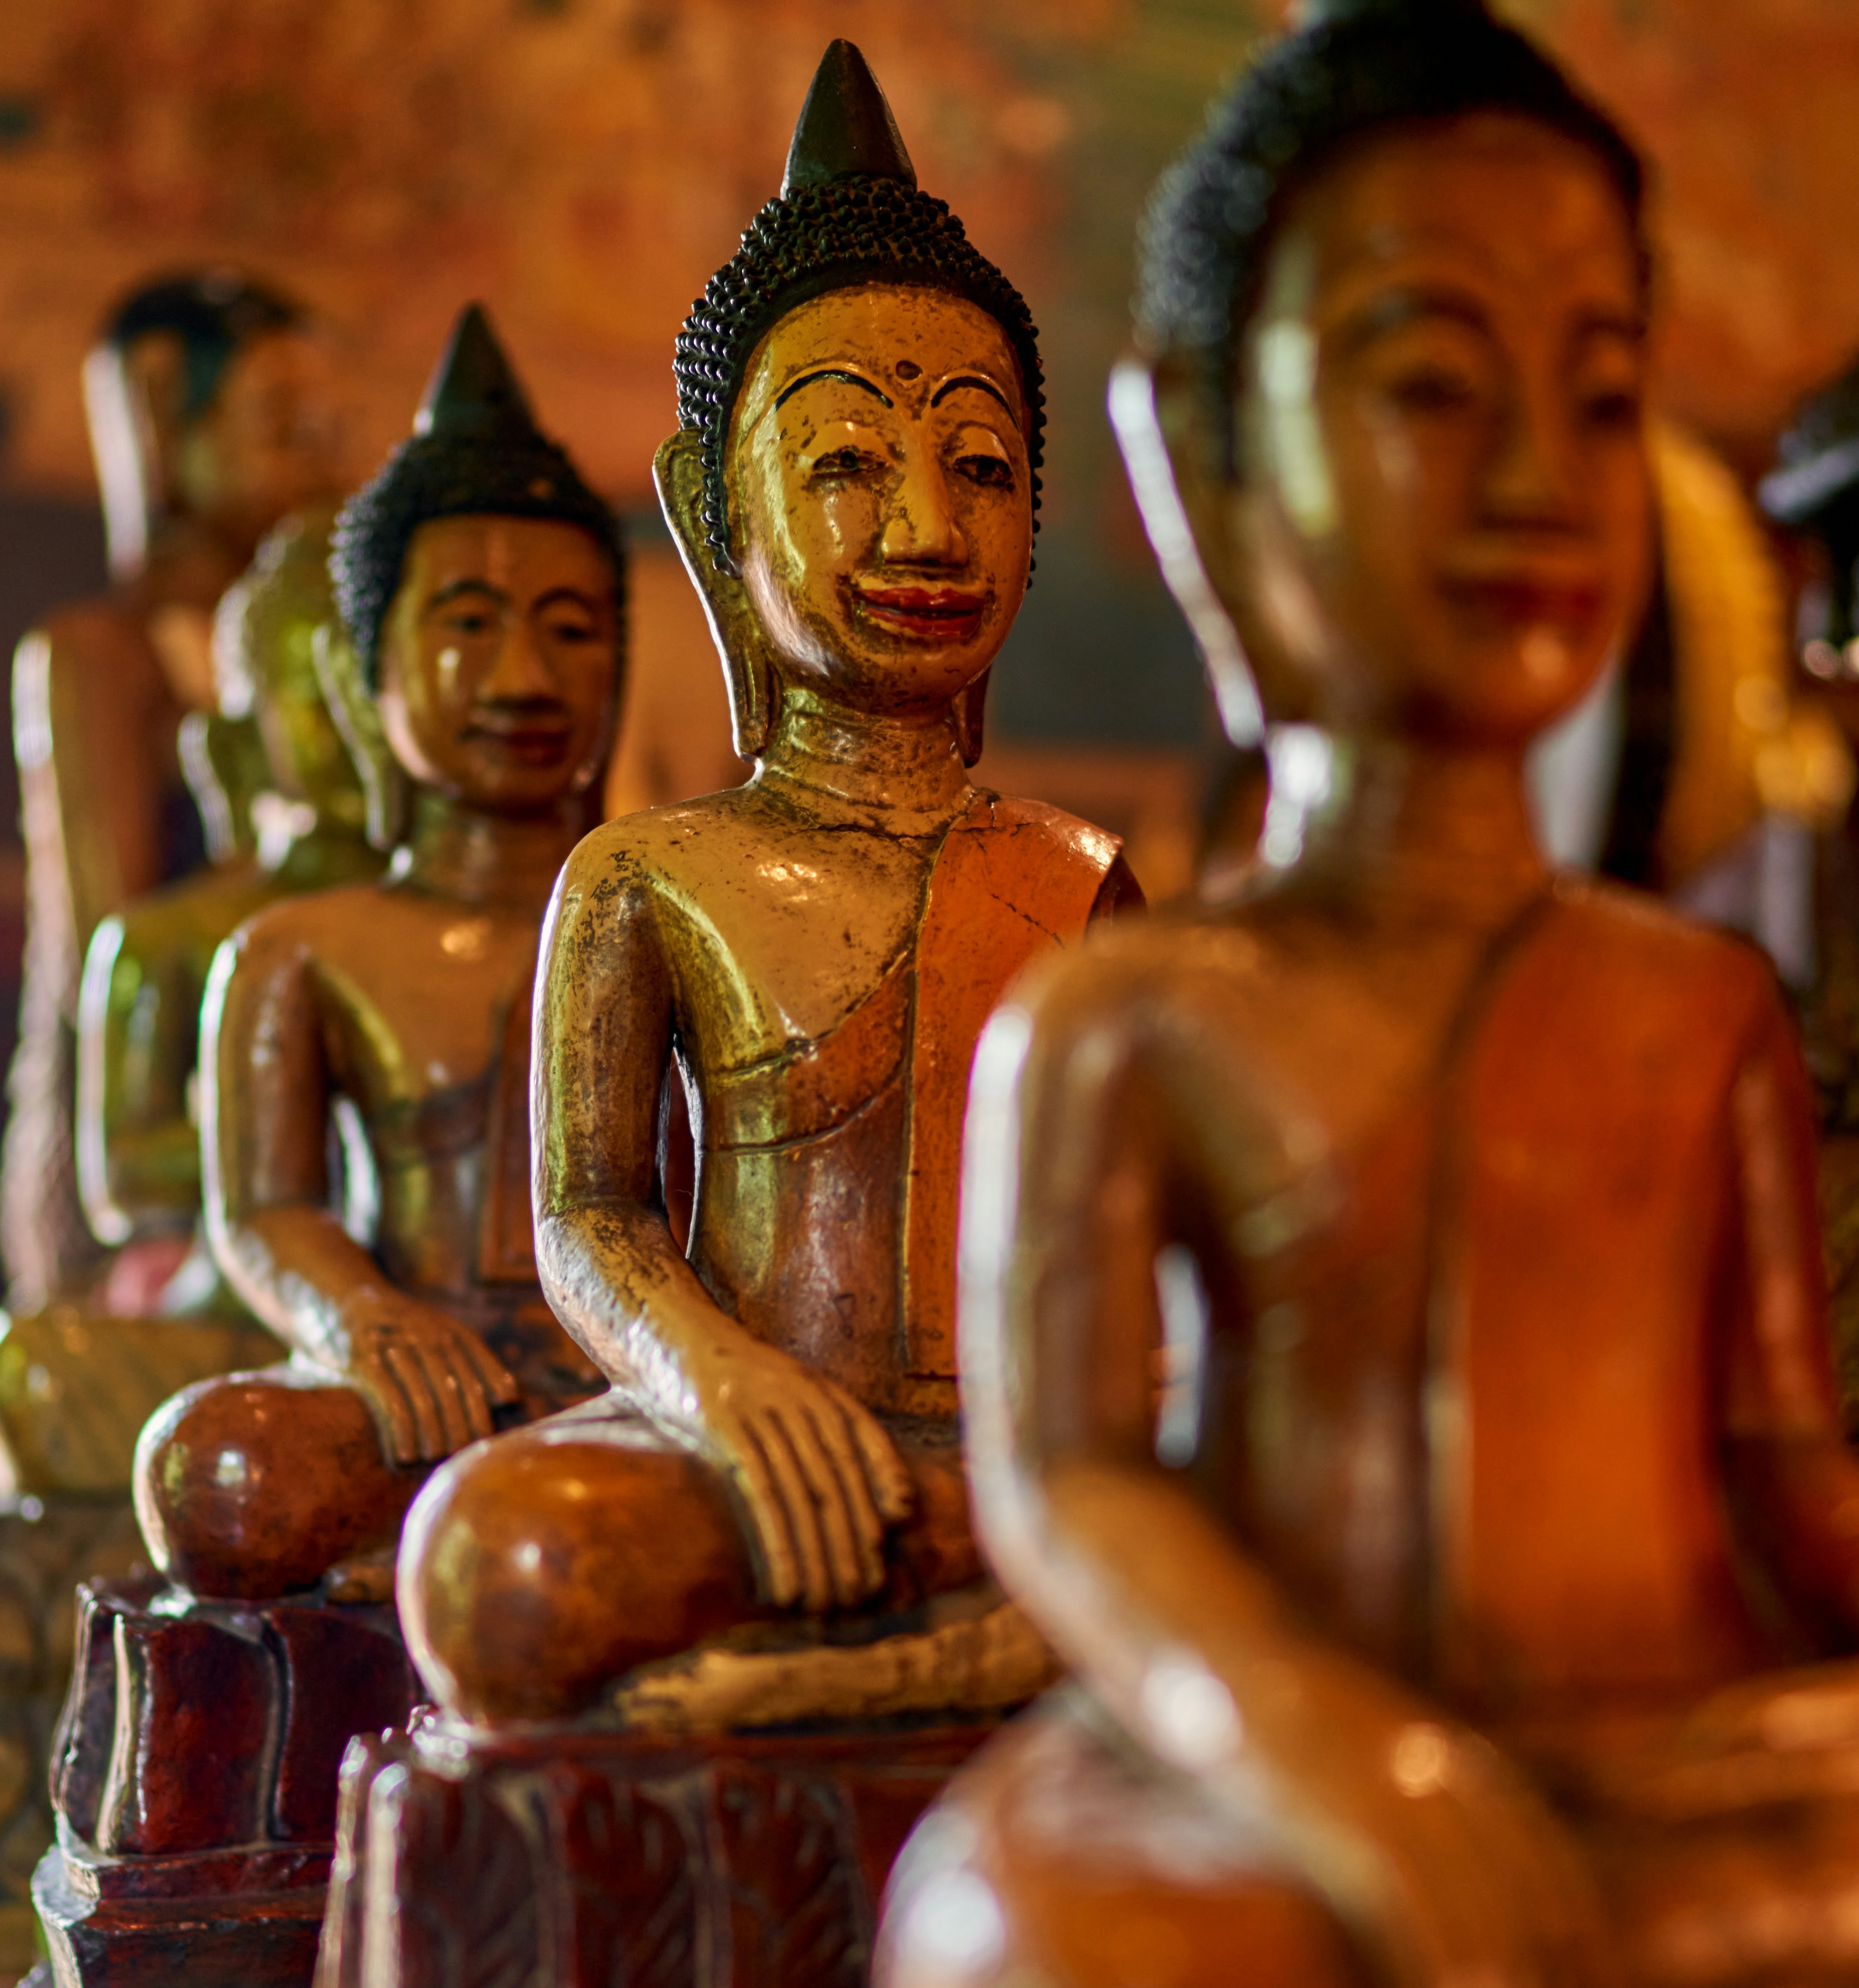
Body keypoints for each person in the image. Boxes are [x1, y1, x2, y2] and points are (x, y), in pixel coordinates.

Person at [878, 4, 1859, 1984]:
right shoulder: (1128, 1015)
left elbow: (1781, 1477)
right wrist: (1320, 1744)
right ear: (1204, 457)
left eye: (1597, 398)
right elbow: (1066, 1479)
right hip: (1283, 1770)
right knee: (1040, 1929)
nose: (1534, 476)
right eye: (1428, 381)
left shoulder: (1701, 1004)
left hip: (1674, 1747)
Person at [391, 42, 1141, 1731]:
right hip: (744, 1450)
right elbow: (589, 1220)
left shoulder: (1073, 877)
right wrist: (721, 1379)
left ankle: (886, 1664)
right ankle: (976, 1656)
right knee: (492, 1559)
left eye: (980, 467)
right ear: (711, 513)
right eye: (844, 466)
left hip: (1003, 1462)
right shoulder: (649, 872)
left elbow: (1122, 1271)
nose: (926, 529)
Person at [132, 303, 626, 1602]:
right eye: (466, 624)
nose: (522, 675)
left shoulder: (657, 909)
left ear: (620, 671)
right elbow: (264, 1208)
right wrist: (360, 1314)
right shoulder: (298, 949)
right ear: (369, 674)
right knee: (219, 1464)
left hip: (623, 1389)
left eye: (571, 627)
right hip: (404, 1384)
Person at [5, 271, 340, 1310]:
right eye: (280, 422)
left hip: (285, 1138)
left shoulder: (304, 659)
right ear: (159, 416)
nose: (317, 456)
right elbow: (113, 956)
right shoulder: (99, 655)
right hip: (137, 1155)